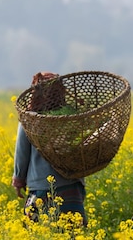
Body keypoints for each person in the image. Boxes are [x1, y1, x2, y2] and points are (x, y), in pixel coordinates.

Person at [12, 72, 87, 226]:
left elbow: (22, 152)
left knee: (40, 238)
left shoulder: (29, 117)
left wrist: (18, 180)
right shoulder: (72, 116)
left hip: (41, 187)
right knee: (72, 238)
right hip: (72, 186)